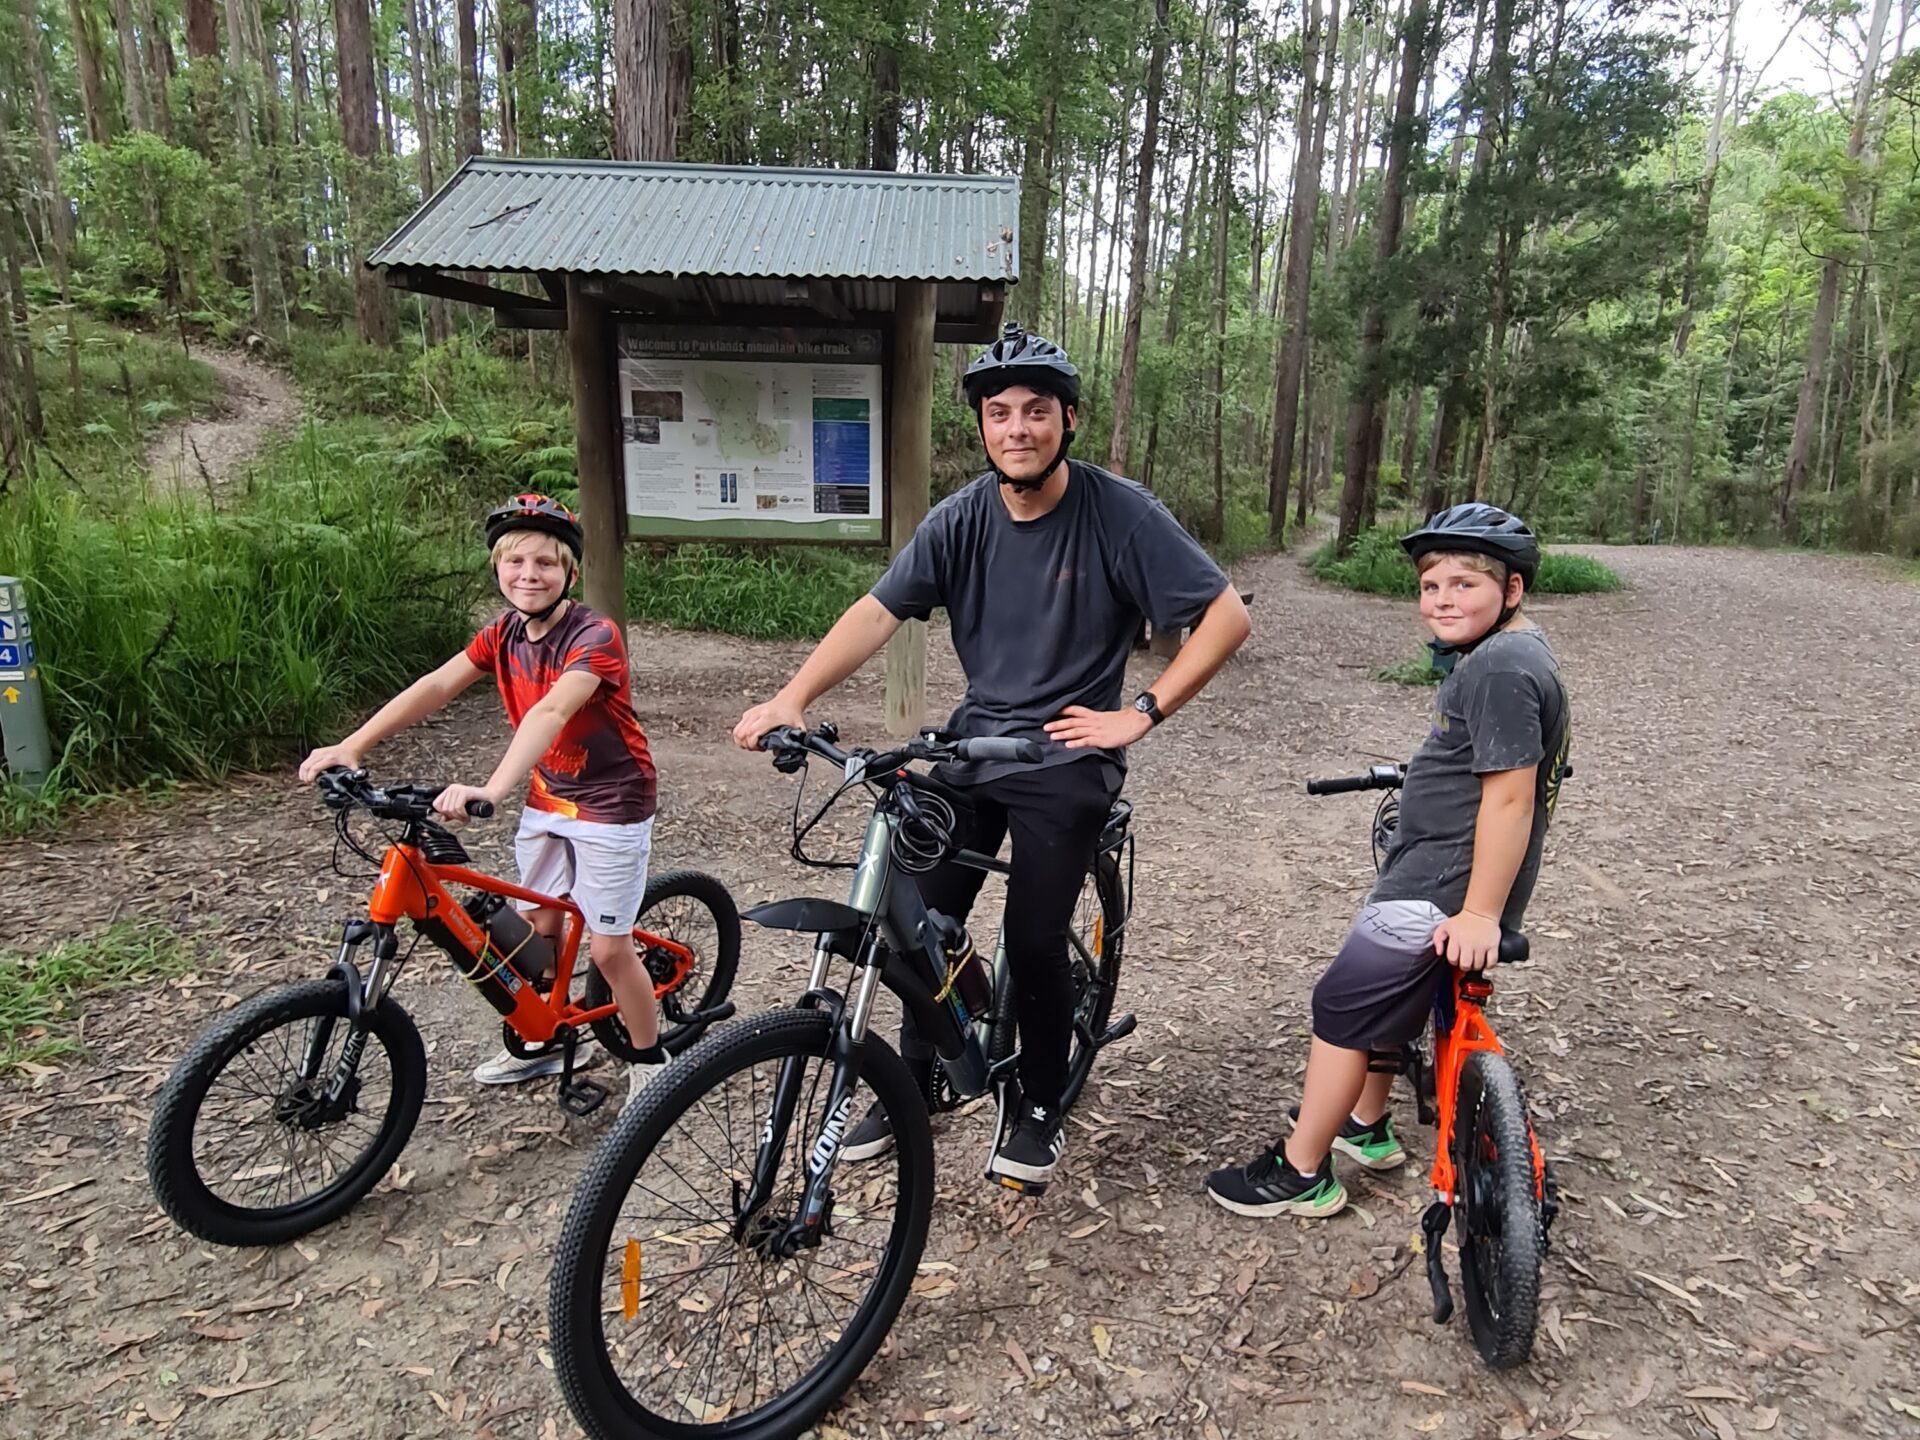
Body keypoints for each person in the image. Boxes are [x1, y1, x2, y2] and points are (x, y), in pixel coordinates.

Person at [733, 324, 1251, 1188]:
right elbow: (877, 611)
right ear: (982, 427)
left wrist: (1141, 714)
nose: (1018, 428)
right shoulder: (963, 516)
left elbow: (1226, 615)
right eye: (1000, 413)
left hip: (1069, 756)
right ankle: (919, 1077)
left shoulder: (1122, 513)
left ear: (1068, 421)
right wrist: (794, 697)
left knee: (1033, 935)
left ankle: (1043, 1097)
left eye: (1037, 412)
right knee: (914, 920)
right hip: (976, 743)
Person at [1205, 503, 1570, 1218]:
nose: (1443, 600)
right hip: (1440, 874)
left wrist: (1480, 912)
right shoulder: (1520, 652)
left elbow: (1509, 801)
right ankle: (1364, 1125)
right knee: (1387, 1001)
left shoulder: (1498, 667)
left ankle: (1301, 1170)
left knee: (1342, 1004)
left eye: (1466, 584)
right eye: (1432, 586)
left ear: (1513, 590)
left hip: (1443, 884)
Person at [298, 494, 669, 1103]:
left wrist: (494, 788)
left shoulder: (594, 633)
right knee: (538, 923)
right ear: (498, 569)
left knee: (607, 948)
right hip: (551, 796)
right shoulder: (503, 633)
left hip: (612, 802)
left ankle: (652, 1060)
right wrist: (352, 744)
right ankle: (543, 1041)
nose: (530, 574)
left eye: (546, 563)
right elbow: (437, 684)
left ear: (569, 573)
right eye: (516, 561)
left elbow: (552, 709)